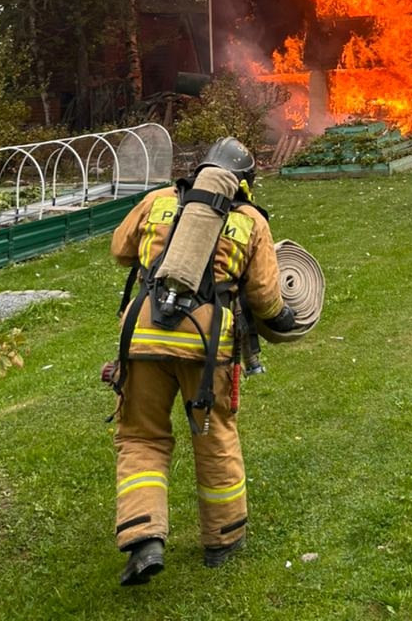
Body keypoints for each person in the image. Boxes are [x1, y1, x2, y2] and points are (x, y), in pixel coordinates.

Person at [107, 136, 298, 586]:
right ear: (245, 184)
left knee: (141, 437)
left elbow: (120, 250)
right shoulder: (250, 220)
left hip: (142, 338)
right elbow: (266, 299)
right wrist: (287, 317)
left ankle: (143, 537)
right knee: (214, 436)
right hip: (206, 346)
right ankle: (223, 539)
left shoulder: (157, 202)